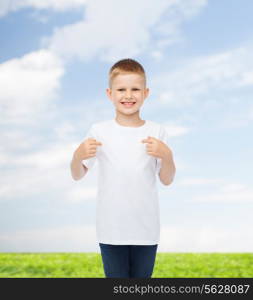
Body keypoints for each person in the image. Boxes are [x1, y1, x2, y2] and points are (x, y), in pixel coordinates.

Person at [70, 58, 176, 278]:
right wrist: (77, 156)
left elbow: (166, 179)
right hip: (111, 229)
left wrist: (167, 156)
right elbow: (78, 174)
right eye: (121, 89)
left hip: (146, 230)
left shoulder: (157, 131)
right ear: (110, 94)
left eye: (135, 89)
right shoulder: (99, 131)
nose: (128, 95)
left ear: (146, 93)